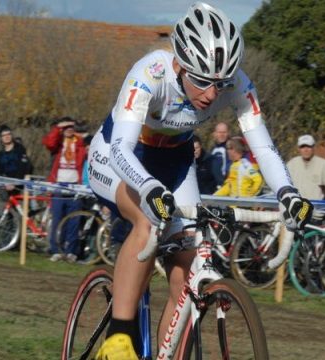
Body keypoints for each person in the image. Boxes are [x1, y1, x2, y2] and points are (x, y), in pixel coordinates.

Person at [86, 3, 313, 358]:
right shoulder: (150, 73)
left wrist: (288, 194)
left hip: (175, 160)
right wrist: (147, 189)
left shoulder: (236, 83)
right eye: (203, 80)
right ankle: (119, 337)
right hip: (119, 157)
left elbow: (264, 147)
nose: (211, 94)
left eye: (220, 84)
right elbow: (121, 149)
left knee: (188, 267)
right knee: (146, 221)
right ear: (180, 62)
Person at [42, 118, 86, 263]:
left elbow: (87, 147)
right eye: (66, 127)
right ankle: (56, 250)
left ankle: (71, 251)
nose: (69, 129)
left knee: (74, 219)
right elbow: (49, 143)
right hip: (58, 185)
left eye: (71, 127)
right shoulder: (58, 143)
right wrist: (57, 128)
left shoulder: (78, 142)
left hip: (75, 185)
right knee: (57, 219)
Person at [286, 134, 325, 200]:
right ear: (298, 149)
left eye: (309, 146)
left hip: (317, 207)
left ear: (314, 147)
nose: (306, 149)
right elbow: (286, 187)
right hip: (296, 207)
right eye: (302, 147)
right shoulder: (291, 164)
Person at [209, 121, 230, 188]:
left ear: (228, 133)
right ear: (215, 134)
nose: (222, 135)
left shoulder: (231, 148)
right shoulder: (213, 149)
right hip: (213, 187)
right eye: (219, 132)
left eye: (224, 132)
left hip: (225, 187)